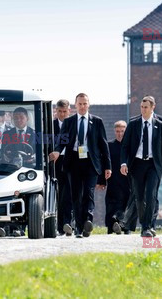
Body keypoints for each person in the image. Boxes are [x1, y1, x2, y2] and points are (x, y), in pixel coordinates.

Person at [50, 93, 111, 238]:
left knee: (88, 193)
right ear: (75, 105)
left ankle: (88, 220)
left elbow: (103, 145)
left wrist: (108, 166)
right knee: (76, 195)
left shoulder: (97, 122)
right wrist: (57, 151)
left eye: (85, 104)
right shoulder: (69, 122)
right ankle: (78, 227)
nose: (82, 106)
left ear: (88, 105)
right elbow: (62, 141)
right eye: (80, 104)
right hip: (73, 162)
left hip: (91, 162)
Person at [120, 96, 162, 237]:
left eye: (146, 107)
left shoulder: (159, 125)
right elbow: (125, 146)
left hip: (153, 165)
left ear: (152, 108)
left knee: (150, 195)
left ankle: (147, 227)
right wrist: (124, 163)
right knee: (139, 198)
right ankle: (144, 223)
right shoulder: (133, 124)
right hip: (137, 164)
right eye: (142, 107)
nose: (143, 110)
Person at [97, 121, 130, 234]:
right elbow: (104, 163)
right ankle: (112, 226)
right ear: (114, 132)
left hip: (128, 181)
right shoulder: (109, 146)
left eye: (122, 131)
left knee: (126, 204)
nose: (120, 134)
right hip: (113, 180)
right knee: (112, 204)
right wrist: (101, 181)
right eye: (117, 131)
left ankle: (123, 225)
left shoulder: (131, 146)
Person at [53, 99, 73, 236]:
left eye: (64, 111)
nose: (62, 114)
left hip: (71, 161)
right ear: (56, 111)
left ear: (69, 111)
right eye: (59, 111)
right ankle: (60, 226)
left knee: (70, 194)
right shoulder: (50, 125)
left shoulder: (74, 124)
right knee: (58, 195)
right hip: (56, 162)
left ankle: (68, 223)